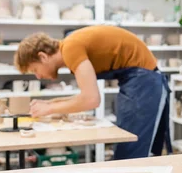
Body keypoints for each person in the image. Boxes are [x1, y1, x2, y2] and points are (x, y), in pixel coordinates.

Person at [14, 25, 170, 160]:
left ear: (43, 56)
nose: (38, 76)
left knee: (132, 152)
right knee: (125, 148)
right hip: (134, 80)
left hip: (145, 81)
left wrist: (50, 109)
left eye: (35, 70)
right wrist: (50, 103)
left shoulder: (71, 48)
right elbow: (85, 95)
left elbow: (91, 100)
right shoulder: (69, 45)